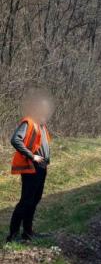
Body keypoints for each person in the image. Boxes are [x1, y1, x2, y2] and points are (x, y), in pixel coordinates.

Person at [8, 90, 54, 243]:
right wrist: (32, 156)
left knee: (35, 200)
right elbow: (15, 140)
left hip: (42, 167)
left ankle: (27, 232)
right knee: (26, 201)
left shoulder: (42, 125)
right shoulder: (29, 122)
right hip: (32, 167)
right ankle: (12, 236)